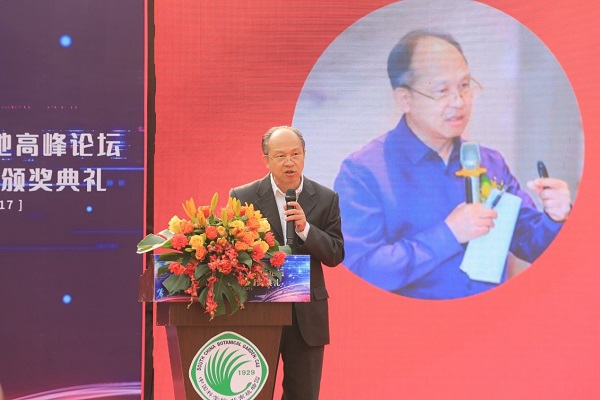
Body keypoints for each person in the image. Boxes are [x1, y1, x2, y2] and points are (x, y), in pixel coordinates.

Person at [333, 29, 571, 300]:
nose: (459, 102)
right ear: (404, 99)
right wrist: (449, 234)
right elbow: (361, 270)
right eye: (442, 90)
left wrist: (556, 218)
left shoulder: (490, 162)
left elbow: (532, 243)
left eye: (465, 86)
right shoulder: (364, 172)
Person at [230, 126, 344, 400]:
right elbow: (234, 251)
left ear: (304, 155)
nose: (289, 162)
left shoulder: (326, 198)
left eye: (295, 154)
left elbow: (335, 253)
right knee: (252, 393)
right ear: (266, 159)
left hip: (307, 316)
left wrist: (306, 230)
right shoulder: (243, 197)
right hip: (259, 311)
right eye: (280, 156)